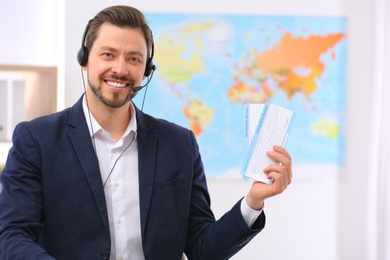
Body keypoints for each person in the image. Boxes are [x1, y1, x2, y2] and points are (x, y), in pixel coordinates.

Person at [0, 5, 292, 260]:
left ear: (147, 70)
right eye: (108, 54)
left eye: (134, 59)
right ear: (85, 59)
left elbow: (203, 249)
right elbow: (12, 235)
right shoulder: (36, 140)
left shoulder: (179, 144)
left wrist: (253, 202)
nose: (120, 69)